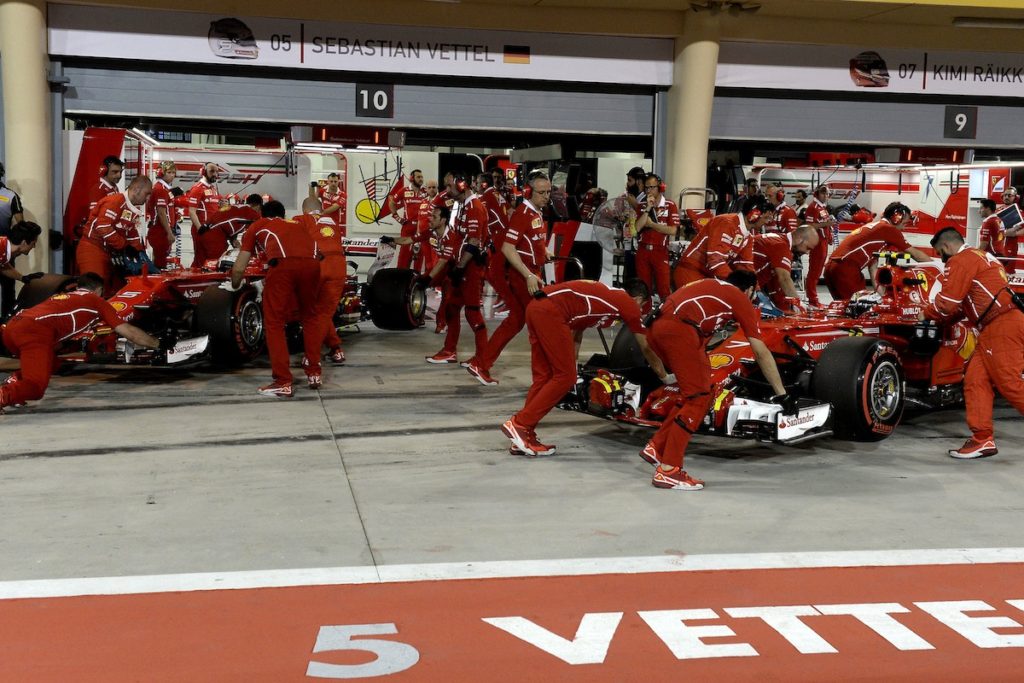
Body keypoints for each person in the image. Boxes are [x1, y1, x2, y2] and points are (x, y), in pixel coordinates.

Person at [641, 271, 795, 489]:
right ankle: (669, 470)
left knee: (699, 392)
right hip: (679, 331)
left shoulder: (711, 287)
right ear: (750, 290)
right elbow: (760, 352)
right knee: (699, 399)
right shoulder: (739, 297)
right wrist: (781, 393)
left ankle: (657, 447)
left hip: (657, 330)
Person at [501, 278, 669, 457]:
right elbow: (645, 347)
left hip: (536, 307)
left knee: (544, 377)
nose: (640, 311)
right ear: (638, 299)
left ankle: (523, 435)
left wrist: (572, 364)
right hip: (551, 312)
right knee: (565, 377)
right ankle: (521, 424)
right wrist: (664, 377)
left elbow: (577, 330)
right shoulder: (627, 303)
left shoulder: (607, 298)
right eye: (642, 306)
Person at [922, 227, 1024, 459]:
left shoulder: (959, 261)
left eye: (940, 253)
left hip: (1001, 326)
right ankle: (982, 439)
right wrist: (946, 318)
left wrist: (925, 314)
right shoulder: (980, 256)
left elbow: (947, 303)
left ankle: (982, 437)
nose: (941, 258)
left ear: (946, 247)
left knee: (1010, 384)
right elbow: (964, 304)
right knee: (975, 380)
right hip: (999, 324)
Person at [0, 273, 162, 412]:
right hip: (32, 334)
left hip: (11, 327)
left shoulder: (62, 296)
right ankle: (4, 395)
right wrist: (158, 344)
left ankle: (14, 384)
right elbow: (130, 332)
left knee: (51, 363)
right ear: (99, 290)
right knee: (36, 388)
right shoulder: (96, 301)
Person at [229, 200, 322, 397]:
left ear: (262, 214)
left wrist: (234, 285)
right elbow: (315, 252)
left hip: (283, 266)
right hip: (313, 266)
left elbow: (239, 267)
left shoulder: (258, 225)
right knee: (310, 317)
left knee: (274, 322)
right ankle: (314, 372)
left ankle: (282, 381)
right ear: (283, 214)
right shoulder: (298, 224)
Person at [468, 172, 552, 385]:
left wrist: (544, 251)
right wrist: (528, 275)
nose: (546, 196)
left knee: (516, 320)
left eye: (548, 192)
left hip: (531, 273)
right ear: (528, 192)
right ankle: (545, 376)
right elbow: (507, 248)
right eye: (542, 192)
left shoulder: (535, 212)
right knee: (541, 323)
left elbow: (531, 239)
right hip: (524, 276)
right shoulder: (523, 213)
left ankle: (481, 363)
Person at [423, 173, 489, 365]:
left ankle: (483, 359)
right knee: (451, 308)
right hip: (463, 267)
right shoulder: (462, 206)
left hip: (471, 268)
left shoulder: (474, 207)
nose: (446, 190)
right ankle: (449, 351)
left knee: (472, 312)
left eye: (449, 185)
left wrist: (459, 267)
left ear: (461, 185)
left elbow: (474, 242)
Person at [823, 202, 930, 301]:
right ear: (896, 218)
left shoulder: (877, 228)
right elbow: (916, 255)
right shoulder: (889, 230)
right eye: (904, 223)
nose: (904, 228)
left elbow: (873, 267)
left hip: (831, 268)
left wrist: (882, 296)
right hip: (846, 269)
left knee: (845, 308)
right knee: (860, 310)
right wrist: (934, 266)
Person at [674, 196, 773, 287]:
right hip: (690, 272)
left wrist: (755, 289)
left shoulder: (748, 236)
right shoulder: (725, 223)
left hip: (708, 276)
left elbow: (746, 266)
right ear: (754, 215)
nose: (767, 222)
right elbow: (715, 260)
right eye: (766, 217)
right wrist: (736, 284)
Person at [75, 176, 151, 294]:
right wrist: (124, 246)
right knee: (93, 289)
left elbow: (131, 233)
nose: (148, 198)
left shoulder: (131, 208)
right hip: (93, 248)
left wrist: (140, 252)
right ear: (137, 190)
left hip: (110, 252)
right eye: (147, 194)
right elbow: (102, 227)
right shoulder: (115, 201)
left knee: (115, 289)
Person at [296, 197, 347, 366]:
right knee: (324, 312)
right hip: (338, 265)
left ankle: (312, 355)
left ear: (304, 210)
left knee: (310, 311)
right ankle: (336, 348)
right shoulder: (332, 221)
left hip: (317, 263)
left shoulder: (302, 219)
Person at [634, 173, 679, 300]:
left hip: (660, 251)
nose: (649, 191)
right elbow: (637, 228)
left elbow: (673, 230)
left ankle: (666, 311)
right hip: (642, 251)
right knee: (643, 289)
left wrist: (652, 224)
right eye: (646, 188)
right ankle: (645, 311)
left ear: (660, 187)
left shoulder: (670, 205)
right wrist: (648, 207)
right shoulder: (642, 205)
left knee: (664, 288)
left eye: (652, 187)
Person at [752, 226, 819, 311]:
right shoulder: (781, 246)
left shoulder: (778, 239)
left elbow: (776, 281)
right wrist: (798, 304)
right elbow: (784, 279)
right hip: (741, 285)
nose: (807, 252)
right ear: (799, 238)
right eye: (807, 248)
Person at [803, 184, 838, 307]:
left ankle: (813, 299)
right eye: (823, 193)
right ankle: (812, 300)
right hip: (816, 243)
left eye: (827, 193)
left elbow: (825, 224)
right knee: (814, 273)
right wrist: (827, 224)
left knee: (817, 273)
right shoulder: (813, 207)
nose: (826, 196)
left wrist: (829, 236)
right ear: (816, 194)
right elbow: (809, 226)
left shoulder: (822, 207)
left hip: (823, 242)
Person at [0, 161, 27, 316]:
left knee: (8, 288)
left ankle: (7, 320)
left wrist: (19, 246)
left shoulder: (10, 196)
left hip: (5, 249)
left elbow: (21, 225)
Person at [387, 169, 426, 270]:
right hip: (408, 227)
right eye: (418, 177)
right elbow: (392, 202)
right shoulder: (404, 190)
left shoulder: (425, 191)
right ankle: (401, 276)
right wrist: (397, 217)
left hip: (422, 227)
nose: (421, 179)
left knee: (419, 255)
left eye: (422, 177)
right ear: (412, 178)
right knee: (404, 256)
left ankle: (416, 277)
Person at [186, 162, 223, 267]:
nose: (215, 174)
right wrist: (200, 229)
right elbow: (191, 211)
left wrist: (222, 205)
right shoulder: (197, 188)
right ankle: (194, 276)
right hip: (202, 229)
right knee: (200, 260)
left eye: (216, 172)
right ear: (203, 172)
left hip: (213, 230)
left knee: (211, 260)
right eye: (212, 171)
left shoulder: (213, 189)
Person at [147, 161, 178, 268]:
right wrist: (169, 232)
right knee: (160, 263)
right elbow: (161, 212)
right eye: (169, 172)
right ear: (161, 172)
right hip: (160, 230)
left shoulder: (164, 188)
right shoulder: (160, 189)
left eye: (173, 173)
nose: (172, 175)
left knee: (161, 260)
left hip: (162, 230)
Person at [1, 221, 43, 290]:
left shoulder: (3, 248)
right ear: (24, 242)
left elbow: (4, 268)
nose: (34, 246)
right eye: (33, 243)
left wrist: (22, 278)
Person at [999, 187, 1021, 273]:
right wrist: (1005, 232)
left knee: (1008, 272)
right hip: (997, 247)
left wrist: (1014, 233)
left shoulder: (1019, 212)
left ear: (1015, 197)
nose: (1006, 197)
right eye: (1005, 195)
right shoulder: (997, 211)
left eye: (1009, 195)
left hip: (1010, 247)